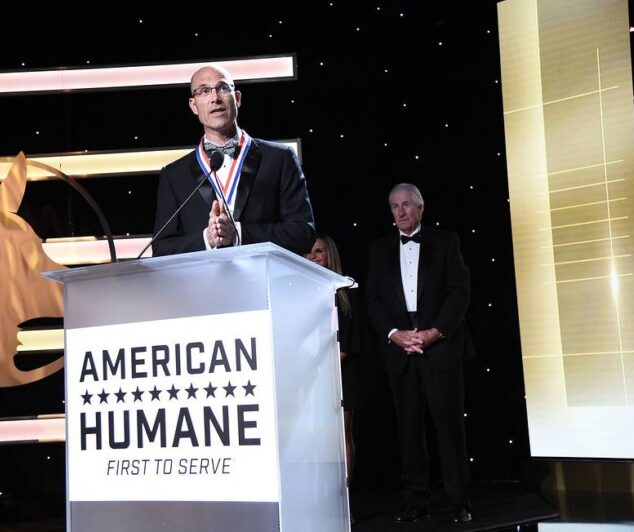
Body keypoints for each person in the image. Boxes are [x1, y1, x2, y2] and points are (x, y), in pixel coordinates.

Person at [365, 183, 474, 525]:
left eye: (407, 205)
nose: (400, 212)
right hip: (401, 350)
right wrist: (394, 334)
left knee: (449, 428)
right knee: (409, 432)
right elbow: (373, 300)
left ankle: (459, 502)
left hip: (439, 347)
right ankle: (416, 501)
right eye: (394, 206)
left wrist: (435, 332)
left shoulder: (446, 242)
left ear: (421, 208)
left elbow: (459, 292)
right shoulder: (378, 249)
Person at [151, 64, 315, 256]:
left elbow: (303, 233)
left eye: (222, 88)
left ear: (237, 98)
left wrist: (239, 233)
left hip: (264, 282)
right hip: (203, 284)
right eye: (204, 91)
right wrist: (207, 238)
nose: (215, 98)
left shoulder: (279, 158)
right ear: (193, 105)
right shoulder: (174, 174)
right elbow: (161, 248)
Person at [306, 233, 363, 483]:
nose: (313, 257)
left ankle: (345, 496)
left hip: (341, 372)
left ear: (330, 254)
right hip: (309, 373)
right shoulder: (297, 290)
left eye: (319, 251)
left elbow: (351, 339)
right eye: (309, 252)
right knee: (314, 436)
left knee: (341, 433)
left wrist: (325, 365)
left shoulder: (346, 289)